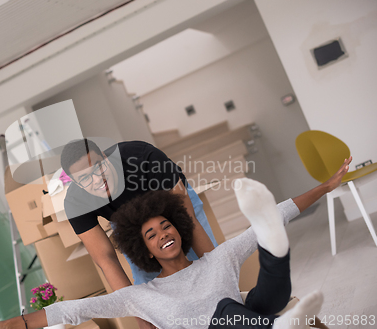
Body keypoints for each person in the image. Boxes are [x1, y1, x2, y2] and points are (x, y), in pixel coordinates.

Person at [58, 139, 350, 329]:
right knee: (155, 302)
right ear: (74, 182)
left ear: (106, 157)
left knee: (211, 276)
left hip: (174, 208)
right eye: (86, 178)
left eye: (99, 166)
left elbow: (185, 215)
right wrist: (143, 321)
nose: (98, 178)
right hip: (133, 229)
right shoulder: (75, 202)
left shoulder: (140, 155)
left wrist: (217, 276)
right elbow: (106, 258)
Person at [0, 178, 326, 329]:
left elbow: (277, 213)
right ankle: (277, 325)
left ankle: (276, 278)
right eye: (151, 234)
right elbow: (73, 310)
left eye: (166, 226)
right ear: (145, 251)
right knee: (227, 310)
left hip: (242, 319)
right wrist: (8, 324)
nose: (162, 234)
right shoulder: (140, 296)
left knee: (259, 262)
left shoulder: (217, 260)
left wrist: (327, 186)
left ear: (179, 229)